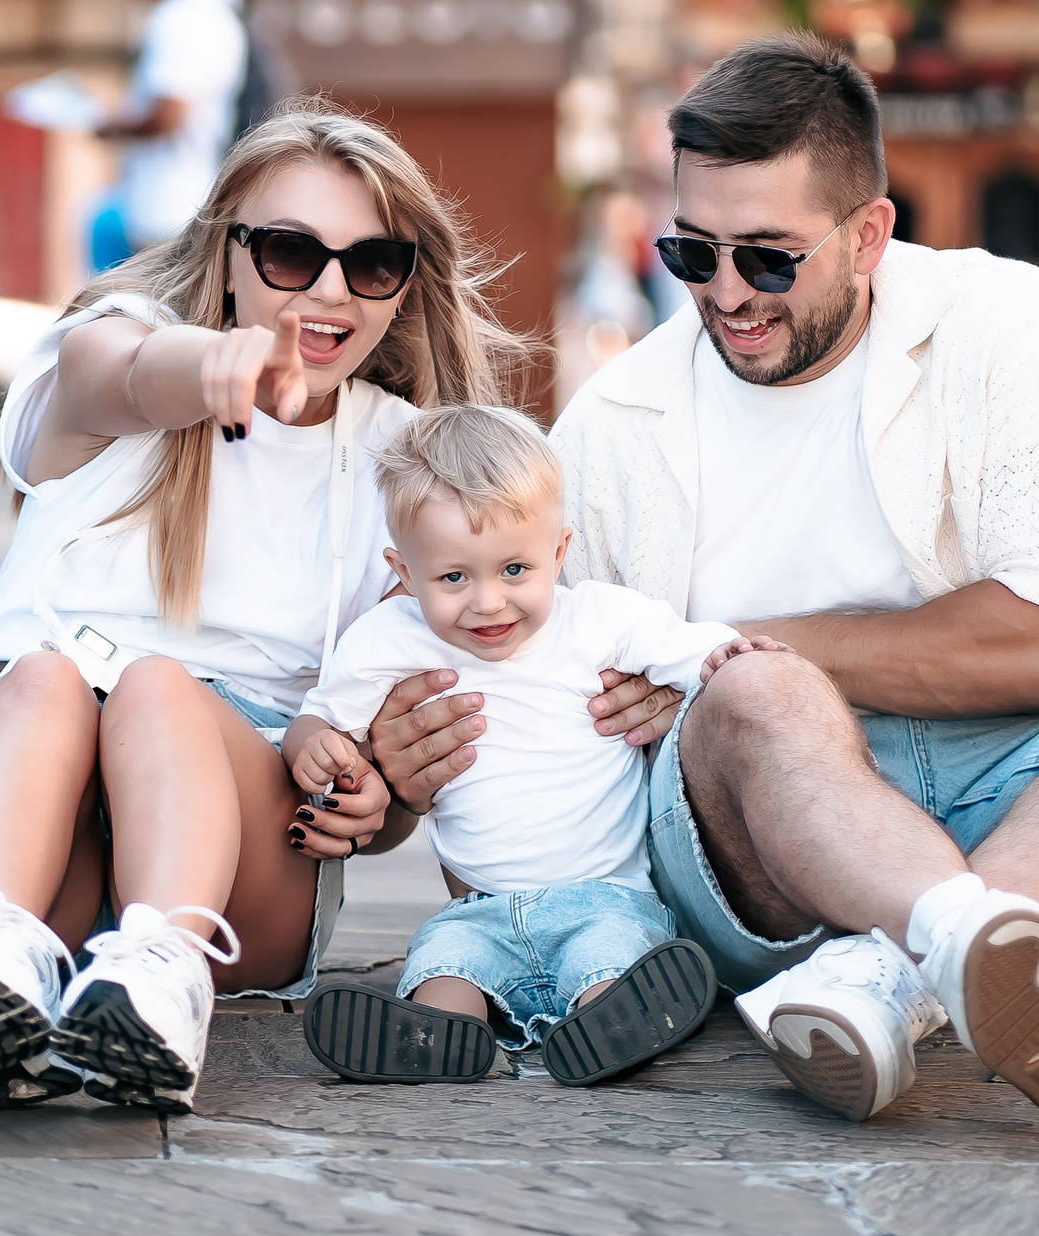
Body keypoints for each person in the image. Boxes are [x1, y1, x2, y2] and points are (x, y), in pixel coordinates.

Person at [364, 33, 1039, 1125]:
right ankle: (954, 947)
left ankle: (890, 976)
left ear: (869, 234)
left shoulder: (1015, 325)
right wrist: (408, 771)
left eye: (768, 258)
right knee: (756, 690)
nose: (727, 294)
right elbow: (522, 689)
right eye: (691, 254)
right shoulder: (613, 422)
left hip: (1032, 798)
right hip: (756, 851)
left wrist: (734, 635)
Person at [0, 104, 521, 1115]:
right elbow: (120, 375)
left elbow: (389, 790)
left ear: (405, 285)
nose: (328, 291)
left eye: (372, 263)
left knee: (156, 689)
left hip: (238, 868)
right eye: (290, 253)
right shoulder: (104, 348)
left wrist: (379, 799)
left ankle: (158, 977)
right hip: (9, 820)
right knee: (46, 679)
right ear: (226, 252)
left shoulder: (408, 462)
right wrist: (210, 366)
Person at [293, 405, 774, 1086]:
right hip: (480, 907)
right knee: (447, 959)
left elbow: (695, 652)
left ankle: (613, 1021)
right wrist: (313, 744)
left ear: (559, 551)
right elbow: (321, 715)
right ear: (403, 568)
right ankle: (436, 1035)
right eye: (453, 578)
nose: (488, 601)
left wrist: (731, 657)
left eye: (515, 569)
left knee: (609, 958)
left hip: (604, 898)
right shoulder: (389, 637)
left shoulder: (601, 620)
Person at [88, 0, 246, 272]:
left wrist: (111, 126)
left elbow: (169, 115)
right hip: (195, 200)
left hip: (166, 208)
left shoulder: (182, 15)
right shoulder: (220, 10)